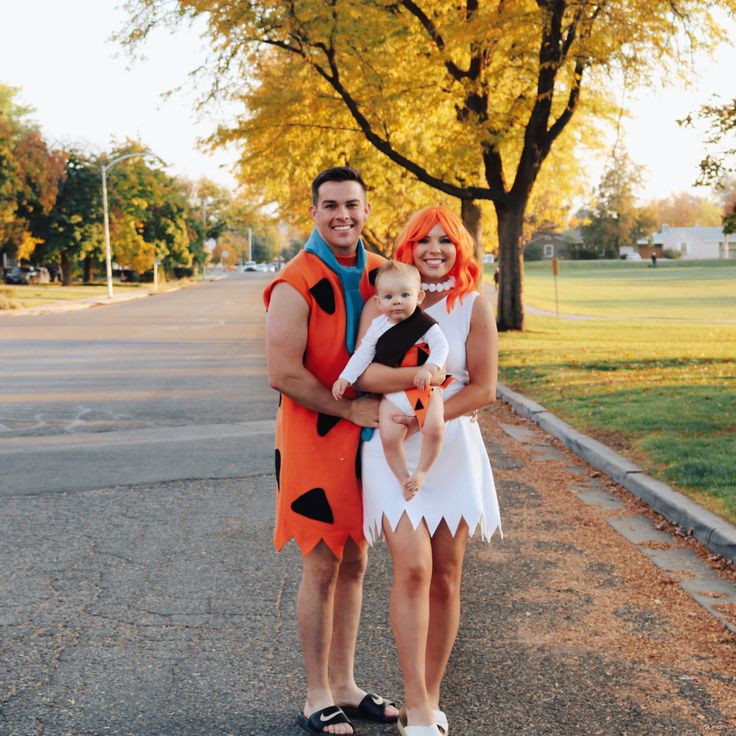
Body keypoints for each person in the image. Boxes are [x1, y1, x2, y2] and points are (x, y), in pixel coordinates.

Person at [355, 205, 503, 736]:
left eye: (444, 240)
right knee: (412, 567)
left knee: (445, 576)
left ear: (458, 248)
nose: (434, 249)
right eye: (423, 241)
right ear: (407, 249)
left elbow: (483, 388)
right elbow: (364, 372)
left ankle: (432, 695)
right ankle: (415, 704)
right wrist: (407, 399)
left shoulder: (472, 305)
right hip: (391, 448)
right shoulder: (387, 303)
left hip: (449, 445)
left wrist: (427, 416)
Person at [263, 166, 399, 735]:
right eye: (330, 205)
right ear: (314, 211)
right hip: (310, 440)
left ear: (366, 210)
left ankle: (345, 684)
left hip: (365, 441)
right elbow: (282, 373)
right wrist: (346, 408)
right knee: (321, 564)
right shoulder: (295, 281)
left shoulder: (382, 274)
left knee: (358, 560)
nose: (342, 214)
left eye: (352, 204)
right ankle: (316, 693)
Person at [332, 260, 449, 498]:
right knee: (390, 437)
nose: (397, 301)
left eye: (405, 295)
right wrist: (345, 377)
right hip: (393, 396)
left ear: (418, 297)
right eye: (388, 297)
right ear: (378, 302)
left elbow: (441, 346)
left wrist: (429, 367)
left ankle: (422, 472)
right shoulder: (377, 326)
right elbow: (362, 354)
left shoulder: (423, 324)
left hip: (421, 391)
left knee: (434, 428)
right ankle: (404, 478)